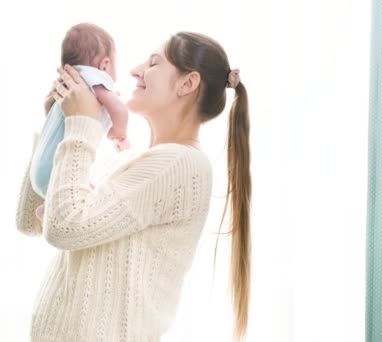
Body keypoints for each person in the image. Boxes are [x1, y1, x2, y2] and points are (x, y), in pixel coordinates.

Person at [16, 31, 251, 341]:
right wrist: (55, 130)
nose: (134, 70)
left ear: (188, 83)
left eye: (153, 63)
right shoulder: (131, 161)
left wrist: (80, 126)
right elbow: (29, 220)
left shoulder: (181, 165)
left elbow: (63, 228)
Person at [30, 23, 131, 205]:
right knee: (86, 196)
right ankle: (50, 209)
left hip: (40, 171)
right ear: (105, 64)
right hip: (59, 168)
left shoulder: (70, 82)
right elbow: (119, 108)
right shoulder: (94, 77)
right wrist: (119, 132)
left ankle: (47, 211)